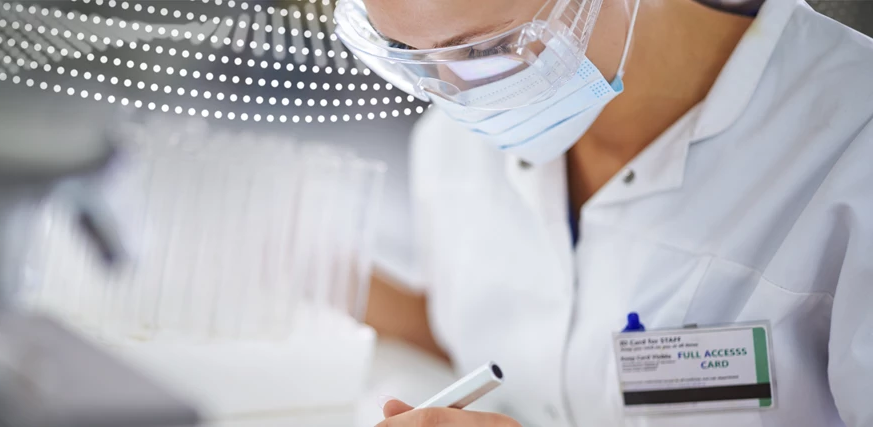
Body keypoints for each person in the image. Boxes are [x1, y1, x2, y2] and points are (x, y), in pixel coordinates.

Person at [334, 0, 873, 425]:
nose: (458, 97)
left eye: (488, 48)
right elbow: (515, 344)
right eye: (407, 51)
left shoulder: (853, 143)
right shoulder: (455, 143)